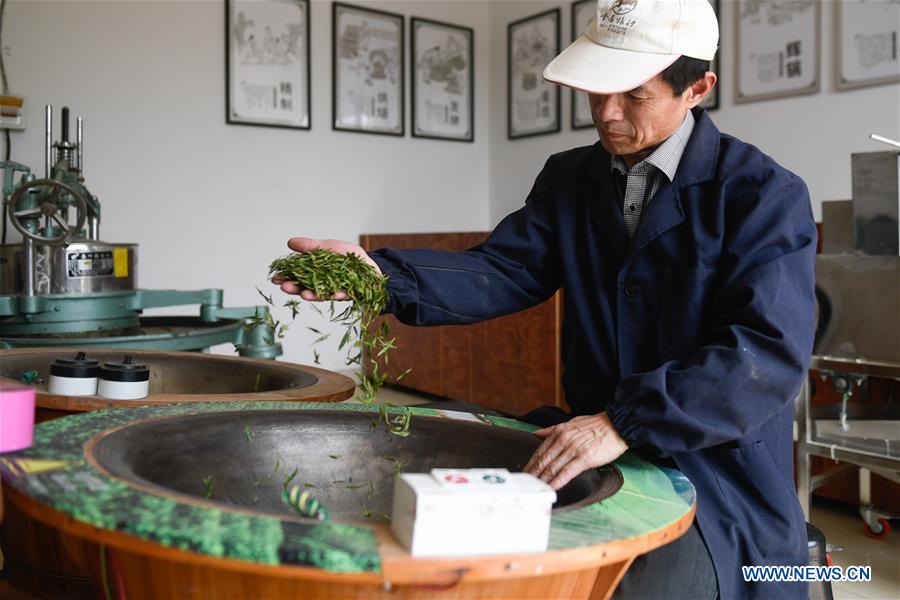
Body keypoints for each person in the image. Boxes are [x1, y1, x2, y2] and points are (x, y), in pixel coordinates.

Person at [276, 1, 816, 597]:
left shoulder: (762, 194)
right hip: (592, 442)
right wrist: (381, 277)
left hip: (716, 472)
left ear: (697, 88)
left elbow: (762, 355)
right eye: (596, 92)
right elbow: (500, 270)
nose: (606, 114)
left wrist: (623, 423)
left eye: (633, 95)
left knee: (627, 583)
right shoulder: (571, 178)